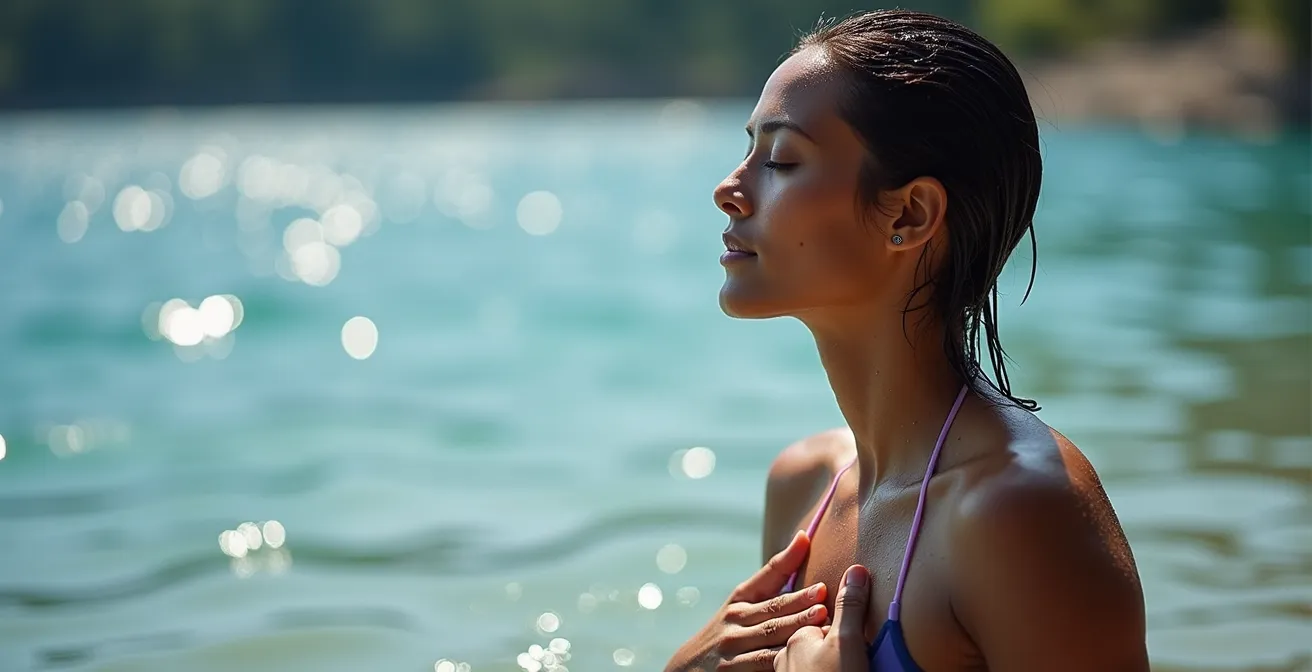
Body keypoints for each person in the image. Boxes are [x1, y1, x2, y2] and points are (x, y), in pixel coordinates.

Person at [664, 9, 1149, 672]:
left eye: (781, 158)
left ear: (910, 214)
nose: (729, 189)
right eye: (748, 149)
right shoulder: (805, 486)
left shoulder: (1018, 515)